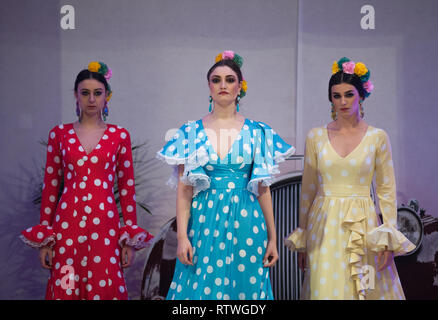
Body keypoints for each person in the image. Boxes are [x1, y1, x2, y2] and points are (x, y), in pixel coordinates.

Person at [157, 51, 295, 300]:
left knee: (245, 289)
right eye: (216, 79)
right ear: (208, 86)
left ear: (240, 86)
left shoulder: (258, 132)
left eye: (230, 79)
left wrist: (273, 238)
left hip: (248, 222)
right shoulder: (189, 133)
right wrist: (181, 238)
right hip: (203, 223)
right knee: (201, 288)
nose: (223, 85)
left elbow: (263, 188)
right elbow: (184, 189)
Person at [20, 61, 154, 300]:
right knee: (67, 284)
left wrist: (129, 240)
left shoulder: (119, 136)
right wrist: (45, 240)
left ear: (106, 97)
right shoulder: (59, 134)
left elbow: (126, 188)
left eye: (97, 93)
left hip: (106, 226)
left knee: (105, 285)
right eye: (85, 93)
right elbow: (50, 187)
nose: (91, 99)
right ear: (76, 96)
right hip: (67, 226)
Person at [285, 57, 416, 300]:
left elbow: (386, 189)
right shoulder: (316, 136)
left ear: (361, 96)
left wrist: (388, 235)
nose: (342, 101)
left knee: (363, 286)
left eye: (349, 94)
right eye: (336, 96)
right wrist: (302, 236)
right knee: (324, 288)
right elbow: (308, 189)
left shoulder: (377, 137)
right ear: (330, 99)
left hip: (362, 223)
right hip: (323, 224)